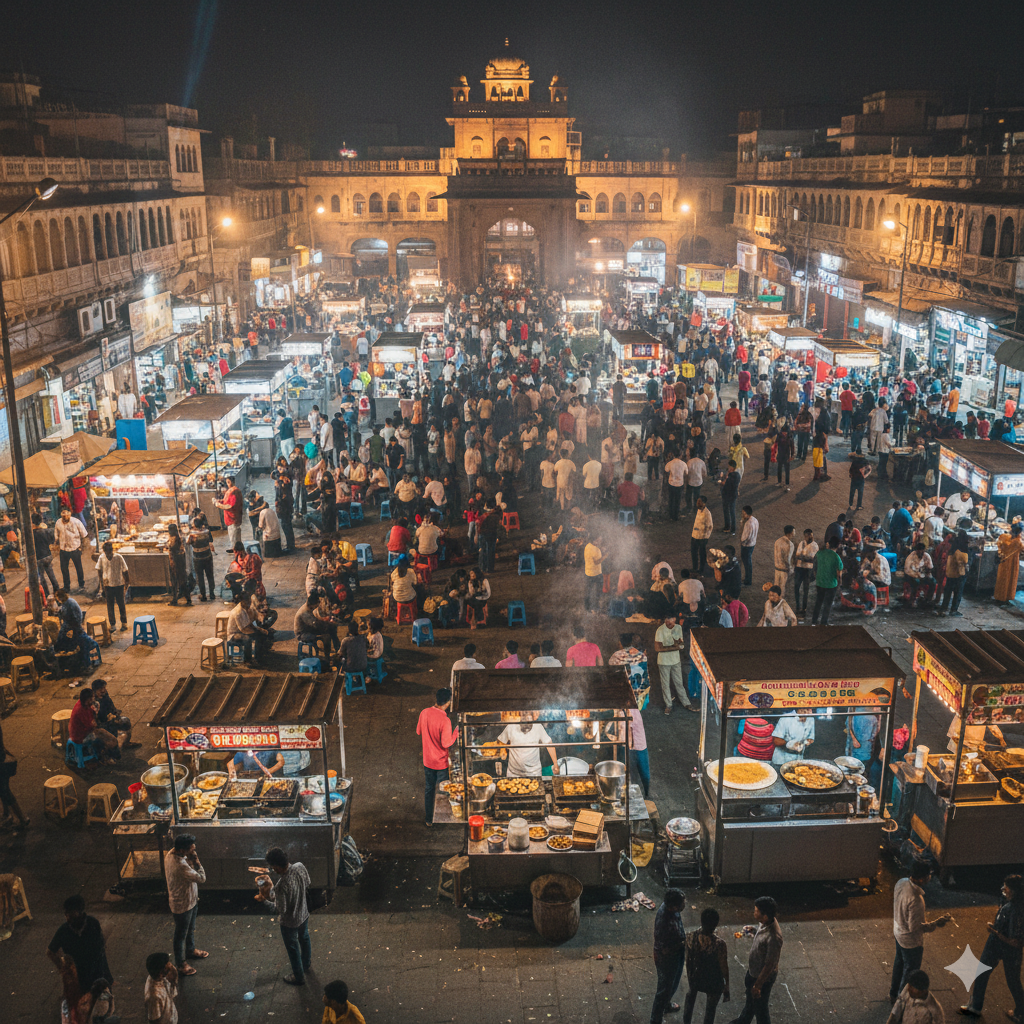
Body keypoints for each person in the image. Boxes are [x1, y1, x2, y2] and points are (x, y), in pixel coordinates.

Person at [958, 873, 1024, 1021]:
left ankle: (977, 1007)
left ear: (1012, 891)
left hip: (1001, 945)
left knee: (1004, 979)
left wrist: (994, 931)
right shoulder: (1010, 903)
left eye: (1006, 888)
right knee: (1007, 979)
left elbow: (1017, 941)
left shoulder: (1016, 911)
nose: (1003, 890)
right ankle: (976, 1005)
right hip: (1003, 947)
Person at [889, 860, 950, 1004]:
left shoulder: (901, 882)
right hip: (910, 942)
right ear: (922, 878)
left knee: (899, 963)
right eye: (929, 875)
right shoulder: (916, 900)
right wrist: (936, 923)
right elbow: (915, 928)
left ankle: (893, 993)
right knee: (909, 972)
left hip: (898, 931)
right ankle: (901, 1001)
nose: (930, 878)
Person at [255, 847, 313, 985]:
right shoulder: (300, 866)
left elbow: (280, 910)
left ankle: (298, 977)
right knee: (304, 938)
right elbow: (307, 883)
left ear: (276, 866)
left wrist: (264, 901)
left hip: (290, 923)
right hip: (303, 913)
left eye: (272, 867)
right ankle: (306, 964)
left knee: (293, 948)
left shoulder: (281, 885)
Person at [48, 895, 114, 1010]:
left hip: (97, 970)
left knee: (102, 1002)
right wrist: (62, 968)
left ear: (79, 912)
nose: (67, 917)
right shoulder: (64, 931)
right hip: (80, 974)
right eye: (66, 914)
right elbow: (50, 951)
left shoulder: (93, 923)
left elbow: (101, 944)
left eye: (70, 914)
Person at [729, 896, 782, 1024]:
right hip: (754, 971)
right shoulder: (766, 922)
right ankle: (743, 1020)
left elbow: (770, 965)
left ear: (765, 916)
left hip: (761, 978)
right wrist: (754, 930)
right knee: (751, 1002)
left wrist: (757, 986)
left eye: (756, 911)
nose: (754, 913)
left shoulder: (774, 937)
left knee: (761, 1009)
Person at [164, 833, 209, 976]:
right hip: (182, 904)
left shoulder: (171, 853)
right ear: (183, 850)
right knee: (181, 934)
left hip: (190, 899)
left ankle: (191, 950)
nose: (194, 850)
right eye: (191, 849)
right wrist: (197, 862)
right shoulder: (180, 866)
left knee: (190, 928)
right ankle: (181, 963)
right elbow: (201, 878)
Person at [416, 687, 456, 827]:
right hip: (440, 763)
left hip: (427, 760)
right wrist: (456, 733)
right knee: (443, 790)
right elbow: (446, 743)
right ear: (448, 702)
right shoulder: (445, 720)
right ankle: (442, 817)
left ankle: (429, 819)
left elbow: (418, 731)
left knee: (429, 789)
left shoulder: (424, 712)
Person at [684, 908, 730, 1024]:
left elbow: (688, 960)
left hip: (696, 977)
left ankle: (686, 1021)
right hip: (713, 981)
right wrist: (726, 986)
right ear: (716, 924)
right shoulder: (719, 944)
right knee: (710, 1009)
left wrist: (690, 978)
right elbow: (724, 967)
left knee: (690, 997)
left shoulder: (690, 937)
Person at [650, 889, 686, 1024]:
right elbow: (664, 949)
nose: (685, 904)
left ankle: (667, 1004)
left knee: (674, 982)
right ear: (674, 906)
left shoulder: (672, 910)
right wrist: (684, 944)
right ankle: (655, 1019)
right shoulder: (664, 920)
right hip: (667, 958)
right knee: (663, 990)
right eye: (683, 902)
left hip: (677, 953)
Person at [656, 612, 696, 715]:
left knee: (679, 682)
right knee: (665, 684)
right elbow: (657, 648)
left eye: (673, 622)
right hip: (663, 661)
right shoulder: (660, 630)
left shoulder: (678, 628)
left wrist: (676, 644)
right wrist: (675, 647)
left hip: (675, 660)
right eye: (670, 623)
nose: (672, 625)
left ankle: (686, 703)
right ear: (665, 621)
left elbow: (681, 643)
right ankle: (668, 705)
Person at [497, 711, 559, 776]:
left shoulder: (538, 727)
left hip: (534, 773)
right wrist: (503, 750)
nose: (526, 729)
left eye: (529, 726)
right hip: (514, 773)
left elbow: (549, 744)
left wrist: (555, 763)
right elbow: (501, 741)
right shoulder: (511, 726)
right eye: (525, 725)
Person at [69, 686, 119, 762]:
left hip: (87, 730)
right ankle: (103, 758)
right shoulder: (80, 710)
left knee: (107, 733)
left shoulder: (84, 704)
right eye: (91, 698)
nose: (93, 700)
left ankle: (112, 755)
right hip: (80, 736)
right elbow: (90, 726)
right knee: (101, 740)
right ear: (87, 700)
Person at [91, 678, 141, 751]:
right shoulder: (93, 702)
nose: (103, 690)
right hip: (101, 724)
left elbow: (110, 705)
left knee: (126, 721)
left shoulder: (105, 695)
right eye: (100, 689)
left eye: (104, 688)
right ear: (95, 691)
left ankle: (126, 743)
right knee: (111, 731)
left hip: (111, 719)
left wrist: (115, 712)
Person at [0, 717, 29, 831]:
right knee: (3, 789)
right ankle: (7, 813)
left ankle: (22, 818)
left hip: (0, 762)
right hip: (2, 758)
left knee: (5, 791)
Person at [95, 541, 130, 632]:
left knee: (121, 604)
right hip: (107, 585)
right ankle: (113, 624)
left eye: (109, 552)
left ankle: (124, 623)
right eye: (106, 553)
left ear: (112, 551)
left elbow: (125, 571)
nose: (108, 555)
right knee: (110, 606)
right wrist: (102, 584)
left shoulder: (118, 557)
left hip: (119, 584)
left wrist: (126, 584)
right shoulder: (101, 558)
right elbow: (99, 570)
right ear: (104, 552)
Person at [811, 536, 843, 626]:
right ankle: (823, 622)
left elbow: (815, 567)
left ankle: (814, 621)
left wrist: (817, 577)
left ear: (829, 544)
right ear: (838, 546)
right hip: (831, 584)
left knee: (818, 601)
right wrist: (839, 585)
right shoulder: (836, 557)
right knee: (827, 604)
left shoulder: (819, 554)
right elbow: (839, 574)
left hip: (820, 582)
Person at [55, 507, 89, 592]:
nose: (65, 515)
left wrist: (82, 548)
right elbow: (56, 536)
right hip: (63, 549)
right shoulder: (58, 523)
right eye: (63, 513)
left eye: (67, 513)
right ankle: (67, 587)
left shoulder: (76, 522)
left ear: (70, 513)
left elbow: (84, 535)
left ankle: (81, 585)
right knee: (64, 569)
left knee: (78, 567)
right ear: (61, 514)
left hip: (75, 548)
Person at [937, 529, 970, 617]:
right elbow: (964, 561)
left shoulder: (953, 547)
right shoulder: (961, 550)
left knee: (947, 592)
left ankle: (943, 609)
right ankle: (953, 610)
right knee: (957, 593)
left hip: (950, 573)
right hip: (959, 574)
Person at [143, 952, 178, 1024]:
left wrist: (173, 980)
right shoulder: (154, 996)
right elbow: (154, 1019)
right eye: (168, 967)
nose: (171, 965)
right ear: (161, 973)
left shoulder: (163, 977)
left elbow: (171, 995)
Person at [188, 515, 216, 602]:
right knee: (210, 575)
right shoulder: (206, 531)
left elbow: (188, 542)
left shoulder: (192, 534)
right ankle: (212, 593)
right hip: (207, 556)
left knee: (200, 577)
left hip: (198, 558)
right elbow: (210, 540)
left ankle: (203, 595)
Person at [31, 511, 59, 595]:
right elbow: (52, 541)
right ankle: (57, 590)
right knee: (51, 574)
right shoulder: (47, 531)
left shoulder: (32, 534)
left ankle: (46, 594)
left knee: (42, 577)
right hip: (48, 555)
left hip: (39, 557)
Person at [995, 524, 1024, 604]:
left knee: (1002, 578)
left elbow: (999, 544)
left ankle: (999, 596)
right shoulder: (1018, 542)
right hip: (1012, 563)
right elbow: (1022, 548)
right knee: (1010, 579)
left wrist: (1001, 554)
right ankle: (1006, 598)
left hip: (1003, 562)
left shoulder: (1004, 537)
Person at [166, 524, 191, 607]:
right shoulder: (178, 537)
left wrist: (168, 546)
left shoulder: (175, 539)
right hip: (178, 561)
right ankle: (179, 599)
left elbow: (172, 548)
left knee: (178, 581)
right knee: (180, 581)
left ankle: (181, 599)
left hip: (176, 562)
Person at [216, 476, 244, 549]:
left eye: (228, 482)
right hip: (231, 519)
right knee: (234, 538)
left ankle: (237, 554)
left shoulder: (234, 492)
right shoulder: (231, 491)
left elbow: (230, 506)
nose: (228, 484)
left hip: (233, 519)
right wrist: (220, 501)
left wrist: (219, 505)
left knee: (235, 539)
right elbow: (226, 501)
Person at [691, 497, 713, 576]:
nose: (698, 503)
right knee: (694, 552)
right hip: (694, 535)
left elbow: (710, 526)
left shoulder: (707, 513)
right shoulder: (698, 510)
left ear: (704, 503)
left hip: (702, 537)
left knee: (702, 554)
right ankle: (695, 568)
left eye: (700, 502)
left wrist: (706, 537)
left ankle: (702, 569)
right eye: (697, 501)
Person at [584, 534, 604, 612]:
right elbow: (597, 561)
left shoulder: (587, 546)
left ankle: (587, 607)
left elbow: (591, 556)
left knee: (588, 591)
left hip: (588, 571)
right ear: (594, 540)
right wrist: (605, 556)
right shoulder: (596, 550)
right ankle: (596, 606)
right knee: (598, 591)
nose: (600, 542)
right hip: (596, 573)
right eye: (598, 540)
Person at [739, 507, 758, 587]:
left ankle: (747, 581)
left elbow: (746, 537)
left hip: (746, 546)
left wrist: (742, 542)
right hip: (752, 544)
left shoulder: (748, 523)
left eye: (743, 513)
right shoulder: (755, 520)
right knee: (748, 563)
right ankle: (747, 578)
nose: (742, 515)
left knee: (747, 563)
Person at [773, 525, 795, 593]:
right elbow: (787, 559)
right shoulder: (790, 544)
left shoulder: (777, 541)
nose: (794, 533)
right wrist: (791, 569)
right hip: (784, 570)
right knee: (782, 589)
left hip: (776, 568)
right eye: (794, 531)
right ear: (790, 533)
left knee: (775, 588)